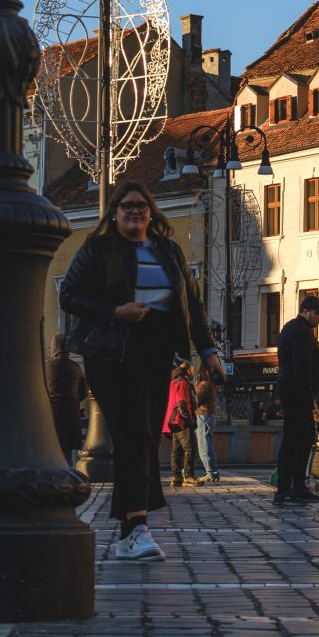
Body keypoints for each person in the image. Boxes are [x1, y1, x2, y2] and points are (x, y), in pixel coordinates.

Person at [60, 180, 224, 561]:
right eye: (127, 206)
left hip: (156, 357)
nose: (134, 211)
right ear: (114, 213)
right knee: (134, 436)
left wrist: (209, 352)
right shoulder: (99, 249)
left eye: (141, 205)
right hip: (112, 356)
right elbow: (69, 294)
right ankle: (137, 528)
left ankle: (128, 531)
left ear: (151, 212)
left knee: (146, 439)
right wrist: (115, 312)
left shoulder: (169, 251)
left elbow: (192, 306)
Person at [273, 295, 319, 507]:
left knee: (299, 440)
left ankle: (295, 487)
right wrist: (311, 396)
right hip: (298, 394)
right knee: (297, 440)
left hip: (291, 392)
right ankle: (288, 488)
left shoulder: (291, 328)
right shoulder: (302, 332)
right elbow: (301, 367)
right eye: (318, 314)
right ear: (306, 311)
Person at [44, 332, 88, 463]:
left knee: (50, 453)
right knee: (67, 455)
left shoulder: (45, 367)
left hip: (50, 415)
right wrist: (72, 401)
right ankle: (68, 480)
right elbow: (84, 391)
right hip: (70, 416)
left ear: (53, 347)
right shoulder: (76, 367)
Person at [163, 363, 198, 488]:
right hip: (180, 420)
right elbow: (182, 402)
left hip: (172, 420)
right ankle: (188, 476)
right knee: (190, 448)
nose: (194, 372)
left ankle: (176, 478)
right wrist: (189, 419)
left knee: (176, 450)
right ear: (187, 370)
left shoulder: (172, 381)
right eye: (193, 369)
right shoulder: (182, 382)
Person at [194, 366, 221, 482]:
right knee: (206, 445)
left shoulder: (204, 384)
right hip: (207, 415)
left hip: (203, 415)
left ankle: (212, 473)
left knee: (205, 446)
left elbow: (195, 399)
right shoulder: (210, 383)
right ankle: (212, 472)